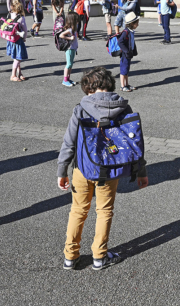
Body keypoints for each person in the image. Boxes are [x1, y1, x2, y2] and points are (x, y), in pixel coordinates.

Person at [57, 66, 149, 271]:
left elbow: (69, 142)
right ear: (109, 85)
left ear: (89, 88)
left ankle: (70, 257)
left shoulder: (80, 108)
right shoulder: (123, 107)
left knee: (78, 211)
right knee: (104, 211)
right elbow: (135, 143)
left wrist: (62, 170)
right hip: (110, 169)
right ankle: (99, 256)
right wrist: (141, 172)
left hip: (82, 168)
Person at [5, 0, 28, 82]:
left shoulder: (9, 15)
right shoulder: (21, 18)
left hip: (10, 39)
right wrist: (24, 38)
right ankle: (13, 75)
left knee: (16, 57)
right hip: (18, 40)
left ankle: (20, 73)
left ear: (11, 6)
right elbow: (25, 30)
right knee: (18, 58)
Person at [118, 12, 140, 91]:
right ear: (132, 23)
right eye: (137, 23)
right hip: (125, 54)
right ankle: (122, 86)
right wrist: (126, 51)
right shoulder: (125, 32)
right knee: (123, 70)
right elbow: (120, 42)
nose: (138, 24)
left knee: (127, 70)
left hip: (129, 54)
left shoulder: (130, 31)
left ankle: (126, 84)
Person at [59, 11, 80, 87]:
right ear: (73, 21)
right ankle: (65, 80)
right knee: (68, 64)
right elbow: (61, 35)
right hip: (69, 49)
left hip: (73, 49)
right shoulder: (70, 30)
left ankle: (68, 78)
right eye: (77, 20)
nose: (78, 22)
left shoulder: (73, 29)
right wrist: (70, 38)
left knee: (71, 64)